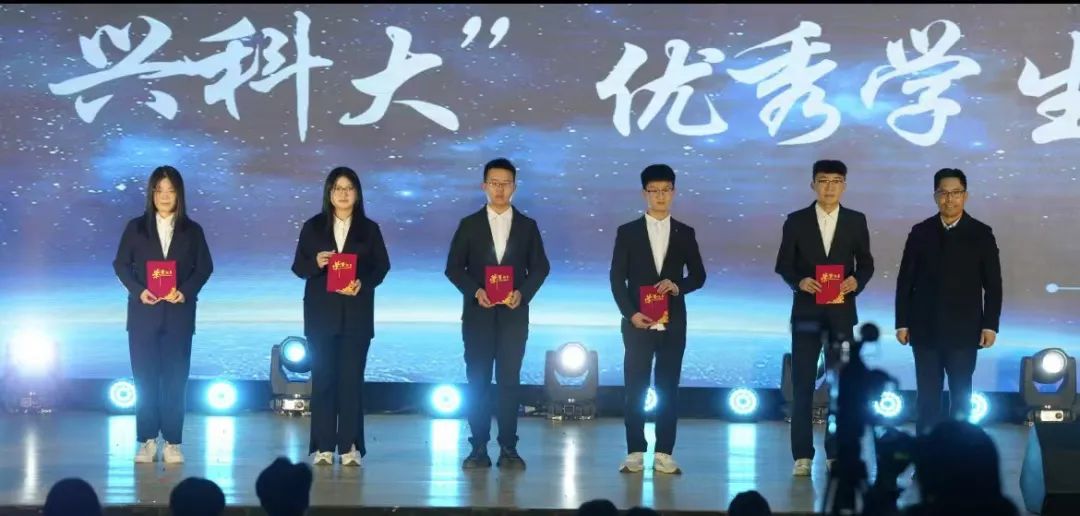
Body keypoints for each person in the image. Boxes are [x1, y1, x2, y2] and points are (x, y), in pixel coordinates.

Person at [445, 157, 550, 470]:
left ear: (514, 187)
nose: (500, 189)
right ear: (484, 186)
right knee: (477, 382)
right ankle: (478, 447)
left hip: (513, 318)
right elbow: (453, 268)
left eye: (506, 183)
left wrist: (523, 293)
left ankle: (508, 448)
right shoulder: (469, 224)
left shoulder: (528, 226)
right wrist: (476, 291)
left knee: (509, 383)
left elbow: (541, 267)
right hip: (478, 316)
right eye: (494, 183)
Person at [774, 159, 874, 477]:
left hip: (841, 315)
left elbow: (866, 264)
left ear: (844, 185)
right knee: (802, 384)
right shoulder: (796, 221)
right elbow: (783, 264)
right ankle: (802, 455)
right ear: (813, 184)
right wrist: (799, 281)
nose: (829, 187)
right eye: (823, 180)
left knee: (841, 387)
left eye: (836, 181)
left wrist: (855, 281)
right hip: (806, 315)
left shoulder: (856, 220)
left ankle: (836, 452)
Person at [112, 165, 213, 464]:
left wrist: (185, 291)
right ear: (152, 194)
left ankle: (172, 442)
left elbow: (204, 267)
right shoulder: (136, 227)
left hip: (179, 315)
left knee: (175, 380)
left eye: (170, 190)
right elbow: (121, 265)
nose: (165, 196)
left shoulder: (192, 230)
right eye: (159, 190)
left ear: (179, 194)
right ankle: (146, 440)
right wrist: (138, 291)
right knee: (144, 379)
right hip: (143, 315)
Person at [610, 164, 705, 475]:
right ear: (644, 193)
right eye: (654, 190)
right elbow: (616, 279)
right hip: (638, 322)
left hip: (673, 323)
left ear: (674, 192)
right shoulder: (627, 232)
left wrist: (678, 286)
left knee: (668, 388)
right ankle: (635, 451)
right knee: (635, 388)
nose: (660, 196)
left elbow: (699, 276)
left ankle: (664, 452)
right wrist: (630, 313)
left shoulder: (685, 232)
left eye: (666, 190)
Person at [292, 166, 391, 466]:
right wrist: (316, 262)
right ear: (329, 193)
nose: (344, 194)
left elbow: (382, 267)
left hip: (356, 316)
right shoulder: (313, 227)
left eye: (349, 188)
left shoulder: (369, 229)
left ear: (357, 193)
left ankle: (349, 447)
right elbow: (298, 267)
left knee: (351, 382)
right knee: (323, 381)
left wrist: (363, 282)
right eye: (338, 188)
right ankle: (323, 446)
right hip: (321, 316)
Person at [895, 168, 1002, 435]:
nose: (950, 199)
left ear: (965, 195)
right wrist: (902, 322)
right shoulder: (920, 232)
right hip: (924, 328)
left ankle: (959, 453)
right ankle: (925, 453)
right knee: (927, 398)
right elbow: (905, 280)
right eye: (943, 193)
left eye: (956, 193)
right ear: (935, 196)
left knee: (961, 396)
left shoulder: (981, 233)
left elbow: (993, 285)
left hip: (964, 330)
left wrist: (990, 325)